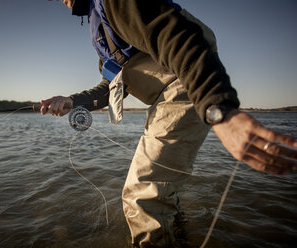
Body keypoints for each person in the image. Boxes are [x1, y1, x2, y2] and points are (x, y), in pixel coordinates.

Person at [41, 0, 297, 247]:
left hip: (183, 88)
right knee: (160, 193)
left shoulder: (113, 3)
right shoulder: (99, 29)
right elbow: (111, 86)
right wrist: (73, 101)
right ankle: (178, 236)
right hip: (162, 103)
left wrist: (220, 110)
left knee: (141, 196)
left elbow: (175, 35)